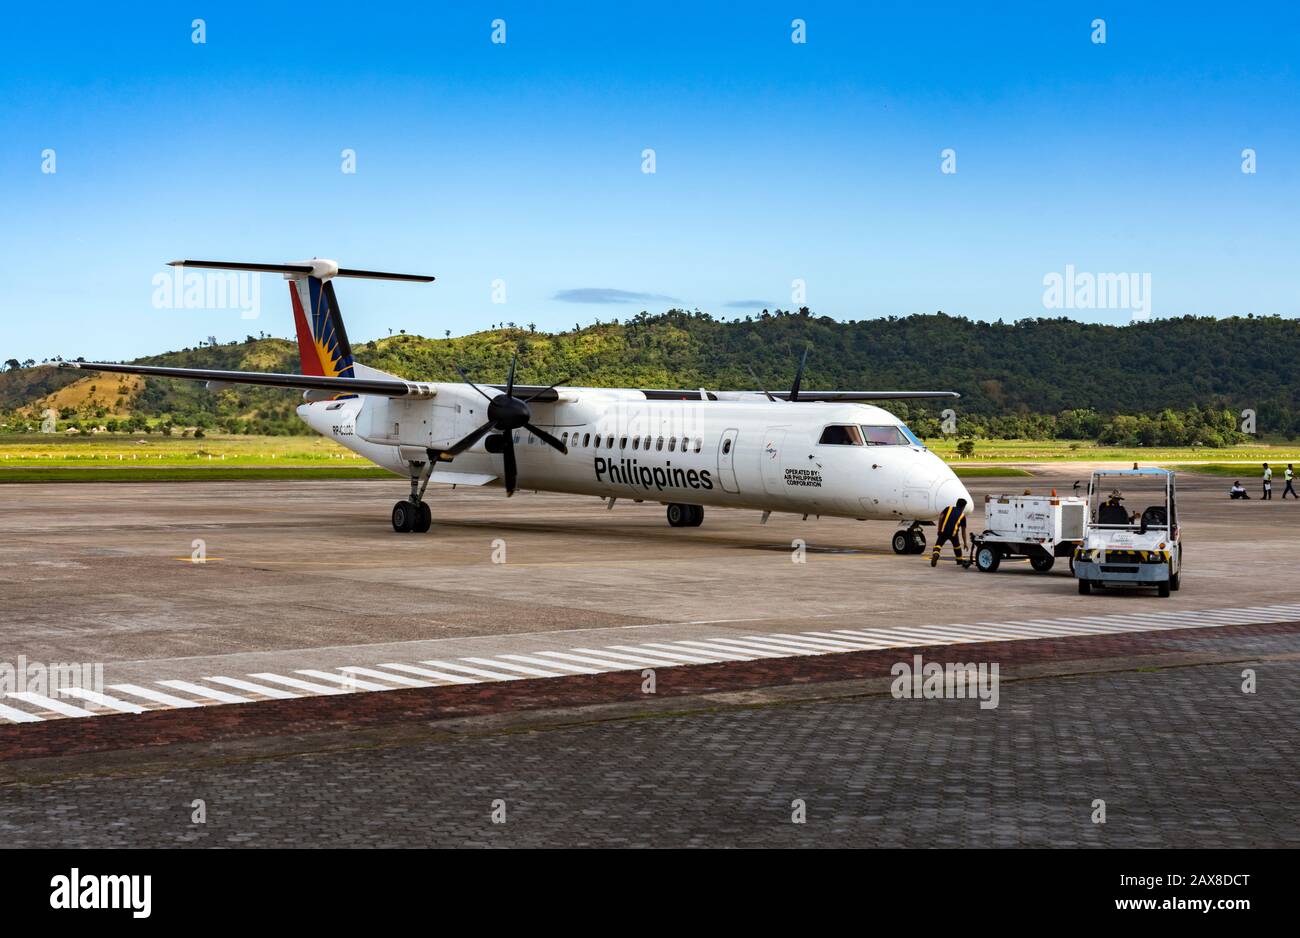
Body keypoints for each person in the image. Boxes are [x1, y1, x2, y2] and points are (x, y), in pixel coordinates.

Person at [930, 498, 970, 568]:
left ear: (956, 504)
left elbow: (941, 517)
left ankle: (936, 554)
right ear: (963, 507)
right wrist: (965, 543)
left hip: (943, 531)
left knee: (938, 545)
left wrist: (939, 529)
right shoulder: (962, 516)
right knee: (957, 547)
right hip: (953, 534)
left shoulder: (948, 508)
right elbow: (963, 531)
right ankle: (959, 560)